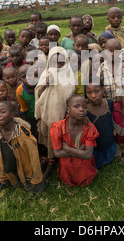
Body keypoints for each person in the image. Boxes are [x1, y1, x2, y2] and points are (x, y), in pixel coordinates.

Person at [35, 46, 76, 181]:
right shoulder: (46, 74)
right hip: (47, 112)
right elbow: (38, 94)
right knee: (47, 133)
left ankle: (54, 158)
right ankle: (48, 155)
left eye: (61, 62)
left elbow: (70, 96)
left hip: (61, 114)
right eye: (54, 62)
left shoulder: (69, 75)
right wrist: (45, 85)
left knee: (58, 134)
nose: (57, 65)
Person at [0, 101, 45, 193]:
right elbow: (0, 151)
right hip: (9, 162)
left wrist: (36, 177)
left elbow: (34, 157)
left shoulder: (23, 134)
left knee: (32, 187)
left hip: (25, 165)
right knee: (10, 172)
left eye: (3, 112)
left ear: (12, 113)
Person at [50, 95, 99, 187]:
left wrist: (67, 148)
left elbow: (88, 155)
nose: (81, 110)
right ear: (68, 110)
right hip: (66, 170)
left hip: (84, 171)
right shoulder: (58, 127)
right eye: (76, 106)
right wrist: (80, 149)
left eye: (84, 107)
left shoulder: (90, 128)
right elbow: (57, 153)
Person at [85, 83, 116, 168]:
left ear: (103, 89)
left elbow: (114, 119)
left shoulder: (109, 103)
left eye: (96, 91)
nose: (93, 96)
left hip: (109, 142)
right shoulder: (85, 110)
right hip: (96, 147)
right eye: (89, 93)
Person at [16, 64, 37, 135]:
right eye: (24, 76)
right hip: (31, 117)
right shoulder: (20, 91)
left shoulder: (41, 85)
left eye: (31, 74)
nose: (28, 78)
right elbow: (24, 108)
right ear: (19, 79)